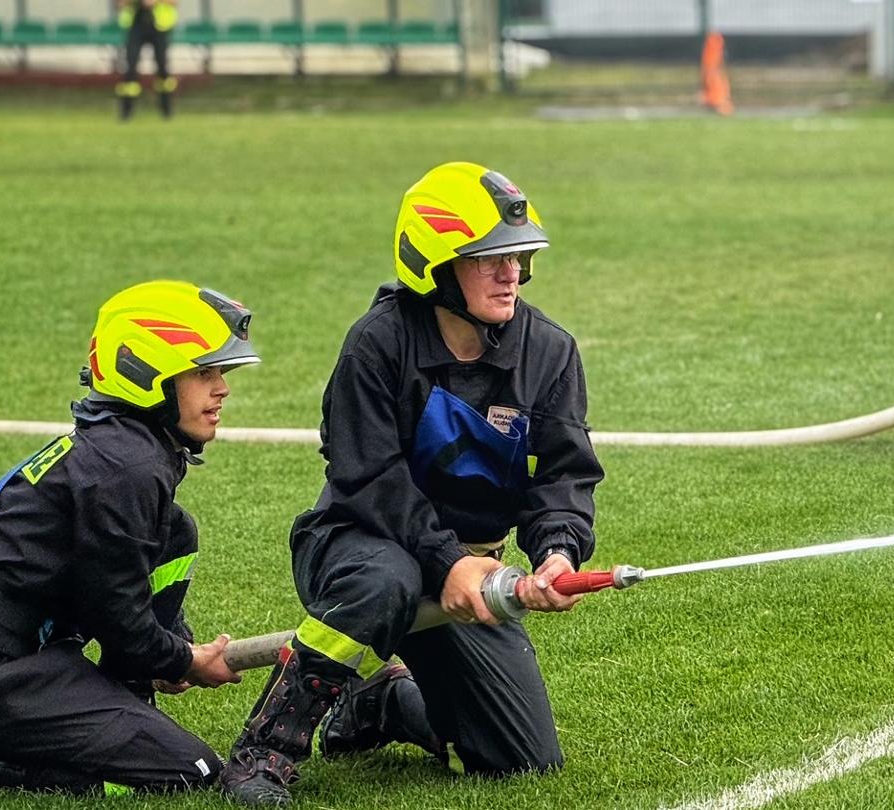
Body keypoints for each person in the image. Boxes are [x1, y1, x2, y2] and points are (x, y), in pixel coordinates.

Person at [222, 162, 606, 806]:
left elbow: (564, 475)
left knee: (521, 760)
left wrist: (558, 552)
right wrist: (447, 560)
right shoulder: (376, 344)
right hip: (357, 547)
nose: (511, 272)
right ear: (435, 266)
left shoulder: (549, 352)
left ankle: (382, 702)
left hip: (469, 572)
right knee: (387, 578)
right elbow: (367, 477)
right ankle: (266, 751)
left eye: (518, 256)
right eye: (489, 259)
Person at [0, 280, 256, 795]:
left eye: (221, 373)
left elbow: (119, 598)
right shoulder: (128, 467)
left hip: (14, 649)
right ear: (147, 376)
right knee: (191, 770)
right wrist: (183, 660)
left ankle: (126, 693)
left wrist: (167, 649)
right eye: (203, 372)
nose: (222, 388)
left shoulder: (126, 447)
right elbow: (119, 617)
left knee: (176, 530)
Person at [116, 0, 179, 121]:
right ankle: (126, 111)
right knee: (131, 68)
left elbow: (174, 2)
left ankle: (166, 109)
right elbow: (120, 3)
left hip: (159, 27)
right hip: (135, 25)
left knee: (162, 68)